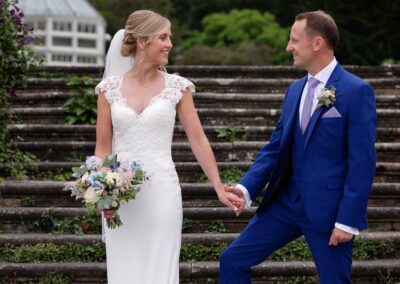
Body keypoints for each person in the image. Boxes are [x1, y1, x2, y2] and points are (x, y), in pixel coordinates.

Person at [220, 10, 376, 283]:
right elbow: (275, 147)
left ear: (317, 43)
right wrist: (246, 189)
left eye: (294, 40)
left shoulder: (355, 91)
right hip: (286, 204)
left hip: (329, 210)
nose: (288, 47)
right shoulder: (294, 91)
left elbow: (362, 162)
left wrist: (347, 220)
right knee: (232, 260)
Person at [94, 10, 242, 284]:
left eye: (170, 37)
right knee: (124, 271)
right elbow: (102, 148)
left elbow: (197, 138)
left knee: (161, 270)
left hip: (162, 193)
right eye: (163, 37)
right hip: (122, 200)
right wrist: (103, 192)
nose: (170, 44)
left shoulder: (177, 87)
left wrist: (218, 185)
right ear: (142, 41)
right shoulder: (107, 90)